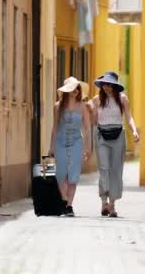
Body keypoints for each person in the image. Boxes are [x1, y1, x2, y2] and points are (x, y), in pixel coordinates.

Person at [92, 71, 140, 217]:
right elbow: (94, 121)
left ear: (114, 85)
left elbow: (129, 116)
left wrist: (134, 131)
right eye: (104, 84)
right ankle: (103, 202)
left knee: (116, 171)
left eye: (109, 84)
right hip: (102, 136)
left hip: (118, 135)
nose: (106, 87)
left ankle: (112, 205)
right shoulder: (96, 99)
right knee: (104, 168)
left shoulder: (122, 98)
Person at [48, 77, 92, 217]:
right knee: (61, 175)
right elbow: (54, 128)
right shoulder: (57, 106)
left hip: (76, 143)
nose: (76, 91)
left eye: (78, 88)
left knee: (73, 176)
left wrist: (88, 147)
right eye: (73, 88)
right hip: (60, 142)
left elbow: (87, 129)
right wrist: (51, 147)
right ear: (67, 91)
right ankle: (63, 201)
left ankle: (69, 205)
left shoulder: (83, 107)